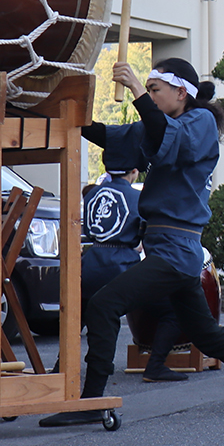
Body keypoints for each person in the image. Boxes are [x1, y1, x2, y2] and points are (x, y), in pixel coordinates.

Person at [40, 58, 224, 426]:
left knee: (104, 304)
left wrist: (136, 88)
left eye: (157, 90)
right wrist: (72, 116)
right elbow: (115, 136)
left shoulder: (201, 121)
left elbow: (160, 132)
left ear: (181, 92)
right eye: (150, 90)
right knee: (206, 334)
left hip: (176, 249)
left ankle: (92, 403)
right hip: (171, 251)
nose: (151, 96)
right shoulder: (164, 124)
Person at [80, 146, 185, 383]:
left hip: (91, 264)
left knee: (82, 315)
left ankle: (59, 365)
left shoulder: (90, 195)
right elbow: (148, 237)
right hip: (121, 267)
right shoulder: (139, 197)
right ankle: (155, 366)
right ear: (135, 171)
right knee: (172, 310)